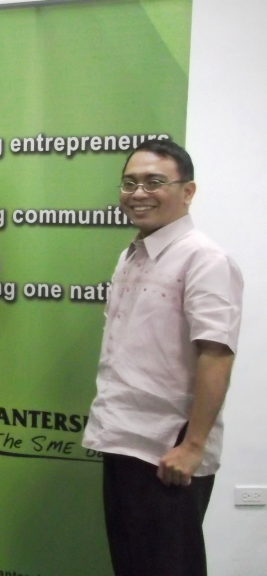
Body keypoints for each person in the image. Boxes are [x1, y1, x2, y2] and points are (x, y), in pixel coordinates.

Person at [82, 139, 243, 576]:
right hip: (122, 439)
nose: (138, 193)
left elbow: (217, 356)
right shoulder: (132, 255)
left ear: (187, 191)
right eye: (129, 183)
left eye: (154, 182)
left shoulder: (204, 260)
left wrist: (193, 447)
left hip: (167, 455)